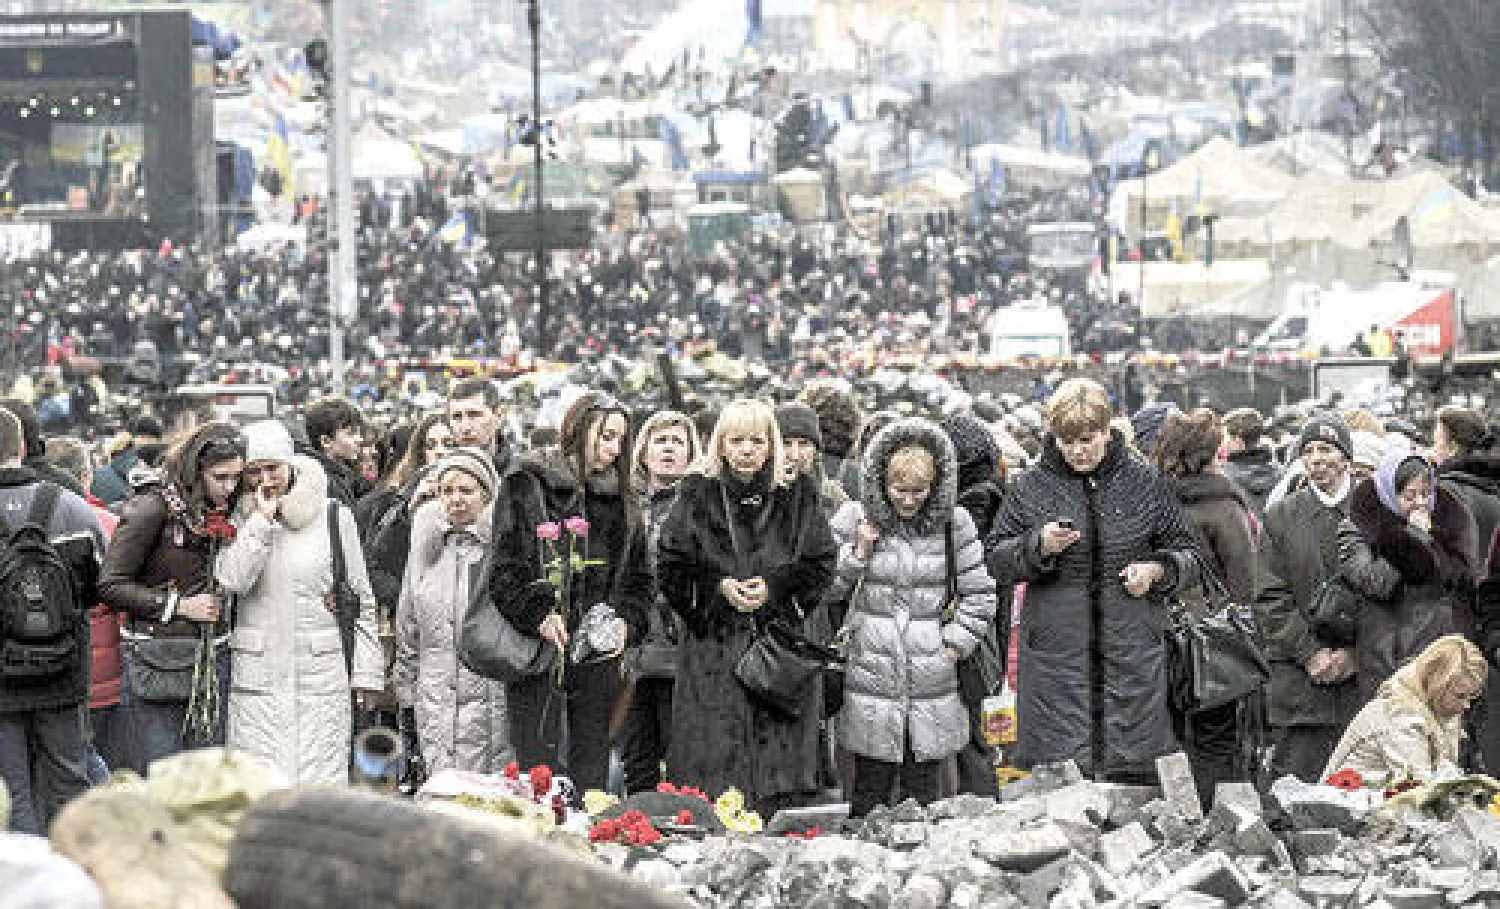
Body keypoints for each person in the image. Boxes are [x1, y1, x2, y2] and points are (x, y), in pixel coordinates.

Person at [988, 378, 1199, 782]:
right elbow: (996, 558)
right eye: (1067, 441)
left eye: (1086, 439)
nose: (1077, 451)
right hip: (1056, 660)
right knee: (1060, 782)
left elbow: (1188, 556)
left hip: (1132, 653)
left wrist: (1156, 571)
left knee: (1134, 782)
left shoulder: (1145, 482)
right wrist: (1039, 546)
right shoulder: (1030, 486)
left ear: (1106, 431)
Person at [657, 399, 836, 814]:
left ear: (771, 444)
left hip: (777, 652)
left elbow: (821, 563)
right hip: (712, 653)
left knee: (780, 777)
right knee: (712, 774)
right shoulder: (696, 494)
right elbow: (670, 566)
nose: (747, 450)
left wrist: (774, 589)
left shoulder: (798, 495)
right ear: (720, 444)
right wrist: (716, 589)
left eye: (756, 441)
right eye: (737, 441)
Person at [480, 391, 652, 791]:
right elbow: (505, 569)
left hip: (597, 657)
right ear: (580, 429)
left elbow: (640, 581)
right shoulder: (529, 482)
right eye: (606, 436)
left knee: (590, 772)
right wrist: (539, 615)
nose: (614, 449)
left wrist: (626, 624)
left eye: (620, 439)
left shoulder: (623, 496)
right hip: (539, 652)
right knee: (539, 772)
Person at [828, 418, 997, 816]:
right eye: (899, 490)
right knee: (868, 790)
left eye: (918, 492)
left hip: (932, 674)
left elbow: (980, 593)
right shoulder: (855, 519)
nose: (908, 501)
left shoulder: (954, 524)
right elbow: (826, 588)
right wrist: (857, 555)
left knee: (924, 793)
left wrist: (953, 645)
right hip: (870, 671)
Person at [214, 420, 384, 784]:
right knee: (259, 786)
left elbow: (360, 598)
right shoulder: (236, 519)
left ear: (290, 465)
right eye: (254, 472)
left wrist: (367, 672)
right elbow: (231, 581)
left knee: (321, 783)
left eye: (272, 468)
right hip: (257, 677)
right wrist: (261, 523)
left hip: (321, 674)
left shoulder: (333, 516)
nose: (265, 480)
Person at [99, 422, 245, 771]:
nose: (229, 487)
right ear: (197, 471)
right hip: (157, 658)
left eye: (236, 477)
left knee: (209, 780)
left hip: (212, 657)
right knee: (162, 776)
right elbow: (110, 584)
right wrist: (178, 606)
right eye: (220, 477)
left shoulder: (229, 508)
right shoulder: (152, 507)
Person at [0, 408, 106, 834]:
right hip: (62, 669)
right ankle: (73, 865)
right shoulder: (71, 506)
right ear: (24, 446)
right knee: (69, 781)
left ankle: (20, 869)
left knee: (10, 791)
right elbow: (100, 584)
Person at [1155, 408, 1260, 802]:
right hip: (1214, 646)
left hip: (1160, 640)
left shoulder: (1153, 502)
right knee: (1217, 741)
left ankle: (1176, 818)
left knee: (1171, 740)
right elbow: (1246, 582)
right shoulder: (1223, 506)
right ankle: (1218, 817)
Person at [1255, 413, 1363, 782]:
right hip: (1299, 688)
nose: (1316, 459)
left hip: (1362, 685)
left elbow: (1388, 594)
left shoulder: (1372, 511)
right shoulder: (1280, 516)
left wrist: (1356, 654)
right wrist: (1309, 653)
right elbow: (1269, 596)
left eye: (1326, 449)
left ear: (1346, 457)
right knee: (1294, 795)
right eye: (1309, 451)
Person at [392, 448, 510, 775]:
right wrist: (406, 686)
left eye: (466, 490)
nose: (456, 499)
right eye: (447, 491)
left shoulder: (501, 549)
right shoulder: (425, 546)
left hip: (489, 694)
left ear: (486, 495)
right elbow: (408, 620)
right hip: (435, 692)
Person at [1339, 452, 1477, 704]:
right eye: (1409, 496)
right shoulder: (1360, 525)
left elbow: (1459, 580)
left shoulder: (1449, 525)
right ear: (1390, 494)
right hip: (1386, 657)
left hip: (1438, 655)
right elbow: (1375, 583)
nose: (1420, 504)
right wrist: (1412, 538)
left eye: (1426, 494)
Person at [618, 409, 701, 794]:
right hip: (629, 655)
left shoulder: (700, 505)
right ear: (643, 450)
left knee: (681, 761)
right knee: (636, 760)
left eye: (677, 442)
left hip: (678, 656)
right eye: (660, 440)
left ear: (691, 453)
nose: (668, 449)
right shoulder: (624, 503)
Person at [44, 436, 123, 780]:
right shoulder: (107, 524)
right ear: (86, 475)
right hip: (106, 676)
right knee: (105, 764)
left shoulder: (28, 523)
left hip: (49, 673)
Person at [1323, 635, 1487, 783]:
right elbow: (1422, 794)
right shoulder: (1400, 715)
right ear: (1436, 685)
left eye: (1471, 696)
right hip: (1345, 803)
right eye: (1460, 696)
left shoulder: (1439, 706)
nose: (1467, 705)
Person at [776, 402, 848, 516]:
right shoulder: (756, 495)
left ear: (815, 450)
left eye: (804, 444)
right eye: (786, 443)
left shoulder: (835, 499)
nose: (795, 455)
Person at [300, 398, 369, 508]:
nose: (360, 439)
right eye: (351, 433)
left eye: (359, 433)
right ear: (326, 442)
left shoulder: (343, 474)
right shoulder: (323, 482)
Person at [1221, 407, 1281, 519]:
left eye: (1224, 438)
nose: (1222, 444)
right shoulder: (1280, 472)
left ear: (1238, 442)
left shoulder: (1224, 476)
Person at [447, 378, 514, 477]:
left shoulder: (526, 475)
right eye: (457, 417)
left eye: (474, 415)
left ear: (499, 416)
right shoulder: (436, 476)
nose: (465, 427)